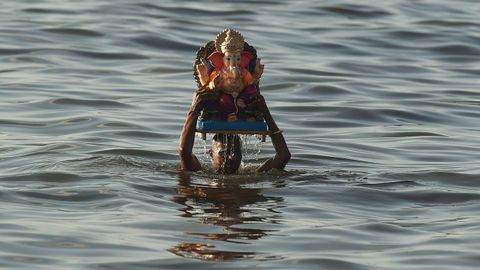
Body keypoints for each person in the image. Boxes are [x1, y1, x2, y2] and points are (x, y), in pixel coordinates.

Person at [179, 90, 290, 174]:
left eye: (236, 152)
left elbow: (283, 156)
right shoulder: (200, 172)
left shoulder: (251, 176)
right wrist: (195, 110)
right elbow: (184, 151)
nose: (232, 157)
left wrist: (264, 112)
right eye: (224, 152)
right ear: (211, 154)